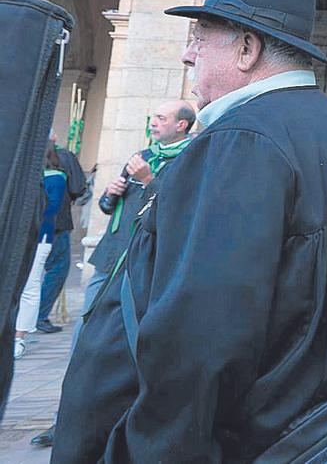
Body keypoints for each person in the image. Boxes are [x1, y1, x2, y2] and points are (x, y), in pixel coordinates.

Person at [54, 0, 327, 461]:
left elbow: (200, 339)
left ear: (247, 49)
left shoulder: (244, 140)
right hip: (300, 428)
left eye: (200, 38)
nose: (187, 55)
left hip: (236, 440)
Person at [29, 99, 195, 449]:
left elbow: (180, 210)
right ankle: (65, 423)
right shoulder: (142, 155)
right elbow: (107, 206)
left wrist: (148, 180)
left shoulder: (189, 161)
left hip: (148, 265)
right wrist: (110, 193)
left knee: (134, 350)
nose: (153, 123)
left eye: (162, 119)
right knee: (84, 341)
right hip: (111, 258)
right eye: (153, 118)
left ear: (181, 125)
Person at [14, 144, 67, 360]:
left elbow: (52, 208)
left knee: (30, 285)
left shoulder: (56, 178)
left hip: (39, 236)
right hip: (15, 235)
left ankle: (19, 337)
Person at [36, 131, 86, 334]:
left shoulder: (24, 154)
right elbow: (77, 187)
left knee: (28, 273)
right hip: (55, 224)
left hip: (30, 224)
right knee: (57, 269)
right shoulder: (63, 157)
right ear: (54, 137)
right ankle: (38, 315)